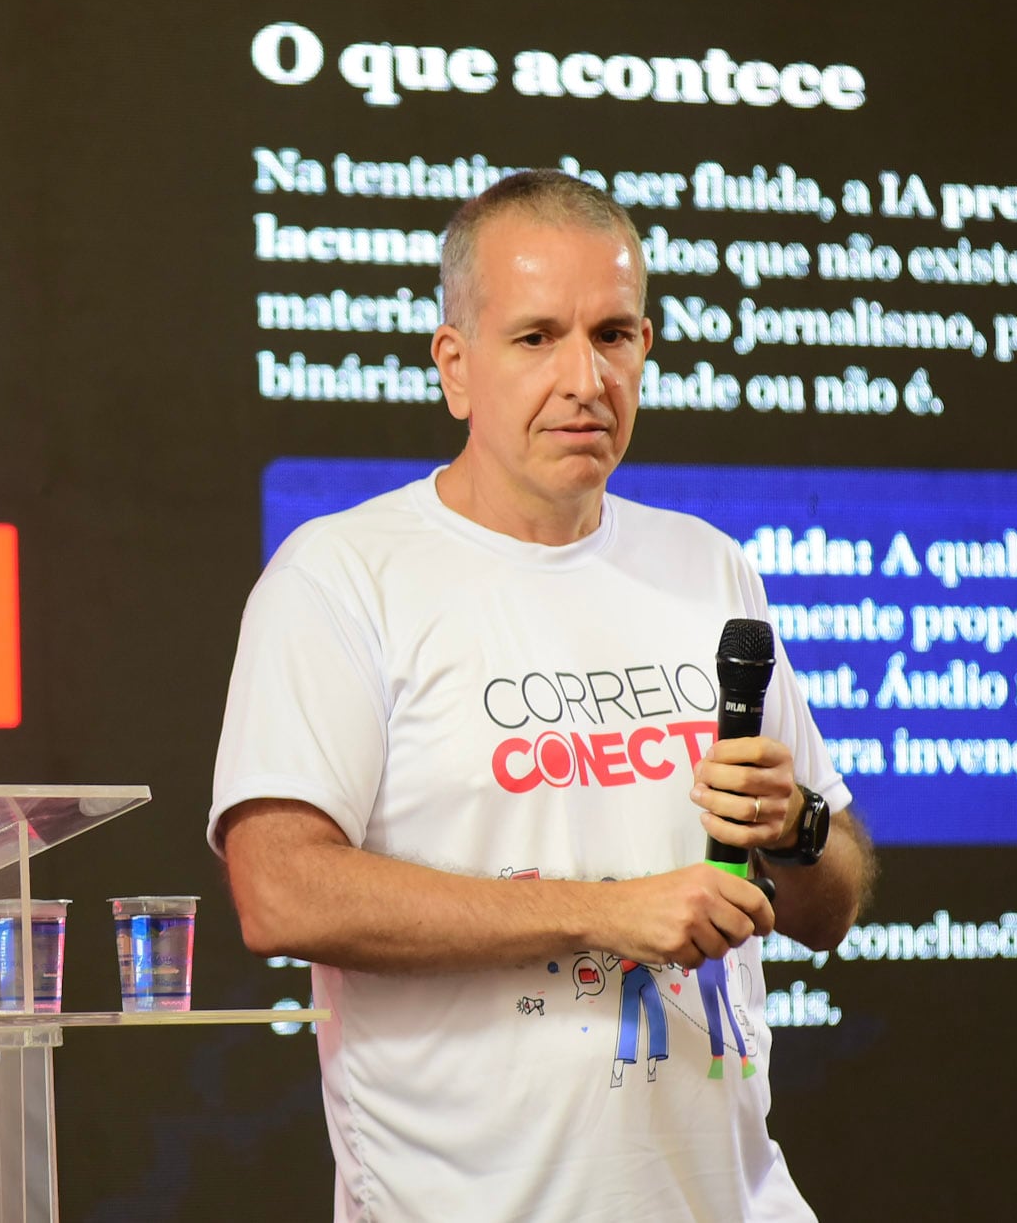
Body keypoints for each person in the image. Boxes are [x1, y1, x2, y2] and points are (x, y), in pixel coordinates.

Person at [208, 169, 874, 1221]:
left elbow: (830, 903)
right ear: (455, 365)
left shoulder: (705, 564)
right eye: (535, 338)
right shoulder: (341, 576)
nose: (584, 379)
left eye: (612, 336)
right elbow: (281, 891)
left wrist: (791, 826)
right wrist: (606, 914)